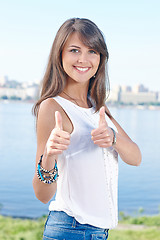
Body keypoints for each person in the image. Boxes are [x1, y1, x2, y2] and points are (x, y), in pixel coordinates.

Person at [32, 18, 142, 240]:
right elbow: (43, 195)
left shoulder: (97, 106)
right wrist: (50, 155)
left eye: (92, 51)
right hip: (70, 229)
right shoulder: (52, 106)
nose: (84, 59)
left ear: (101, 58)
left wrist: (113, 138)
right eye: (74, 50)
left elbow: (136, 157)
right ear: (59, 55)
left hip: (97, 233)